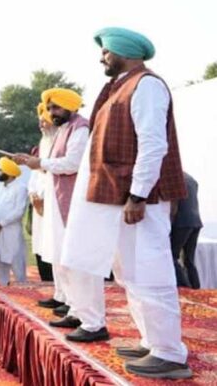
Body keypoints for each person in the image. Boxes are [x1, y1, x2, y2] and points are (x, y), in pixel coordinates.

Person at [60, 28, 191, 379]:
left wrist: (138, 195)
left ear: (123, 51)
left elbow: (153, 144)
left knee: (151, 272)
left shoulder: (146, 85)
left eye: (105, 52)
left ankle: (170, 353)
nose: (101, 57)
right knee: (131, 274)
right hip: (119, 199)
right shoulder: (120, 86)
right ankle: (152, 342)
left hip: (138, 201)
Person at [15, 88, 89, 324]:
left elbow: (72, 163)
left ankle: (82, 312)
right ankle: (72, 306)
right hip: (55, 201)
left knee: (71, 257)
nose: (50, 113)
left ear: (70, 106)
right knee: (59, 254)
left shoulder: (80, 128)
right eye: (48, 108)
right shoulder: (63, 131)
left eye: (55, 107)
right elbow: (48, 167)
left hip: (70, 201)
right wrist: (32, 162)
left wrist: (41, 162)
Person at [0, 157, 29, 286]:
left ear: (8, 172)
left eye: (0, 170)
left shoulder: (20, 188)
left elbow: (19, 211)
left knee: (15, 256)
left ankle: (21, 284)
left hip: (10, 229)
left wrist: (2, 223)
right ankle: (3, 284)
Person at [26, 103, 56, 283]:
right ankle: (48, 286)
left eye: (44, 120)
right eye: (40, 121)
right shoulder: (43, 144)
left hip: (53, 204)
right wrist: (33, 195)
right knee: (40, 246)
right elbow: (34, 176)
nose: (41, 124)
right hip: (38, 208)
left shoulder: (59, 142)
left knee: (54, 248)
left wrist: (44, 199)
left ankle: (61, 294)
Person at [171, 172, 202, 289]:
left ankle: (185, 288)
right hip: (196, 221)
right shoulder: (191, 179)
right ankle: (196, 288)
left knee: (171, 256)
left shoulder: (173, 177)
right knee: (189, 260)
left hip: (181, 221)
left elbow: (173, 205)